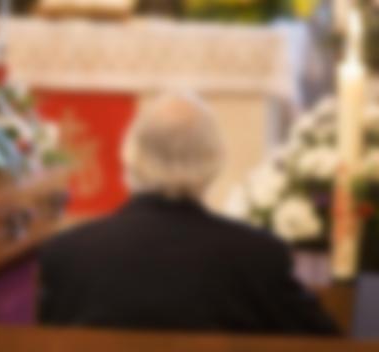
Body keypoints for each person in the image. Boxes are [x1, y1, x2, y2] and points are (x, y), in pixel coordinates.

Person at [38, 92, 338, 335]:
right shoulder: (259, 258)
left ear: (130, 155)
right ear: (214, 160)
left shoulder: (67, 254)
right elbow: (327, 349)